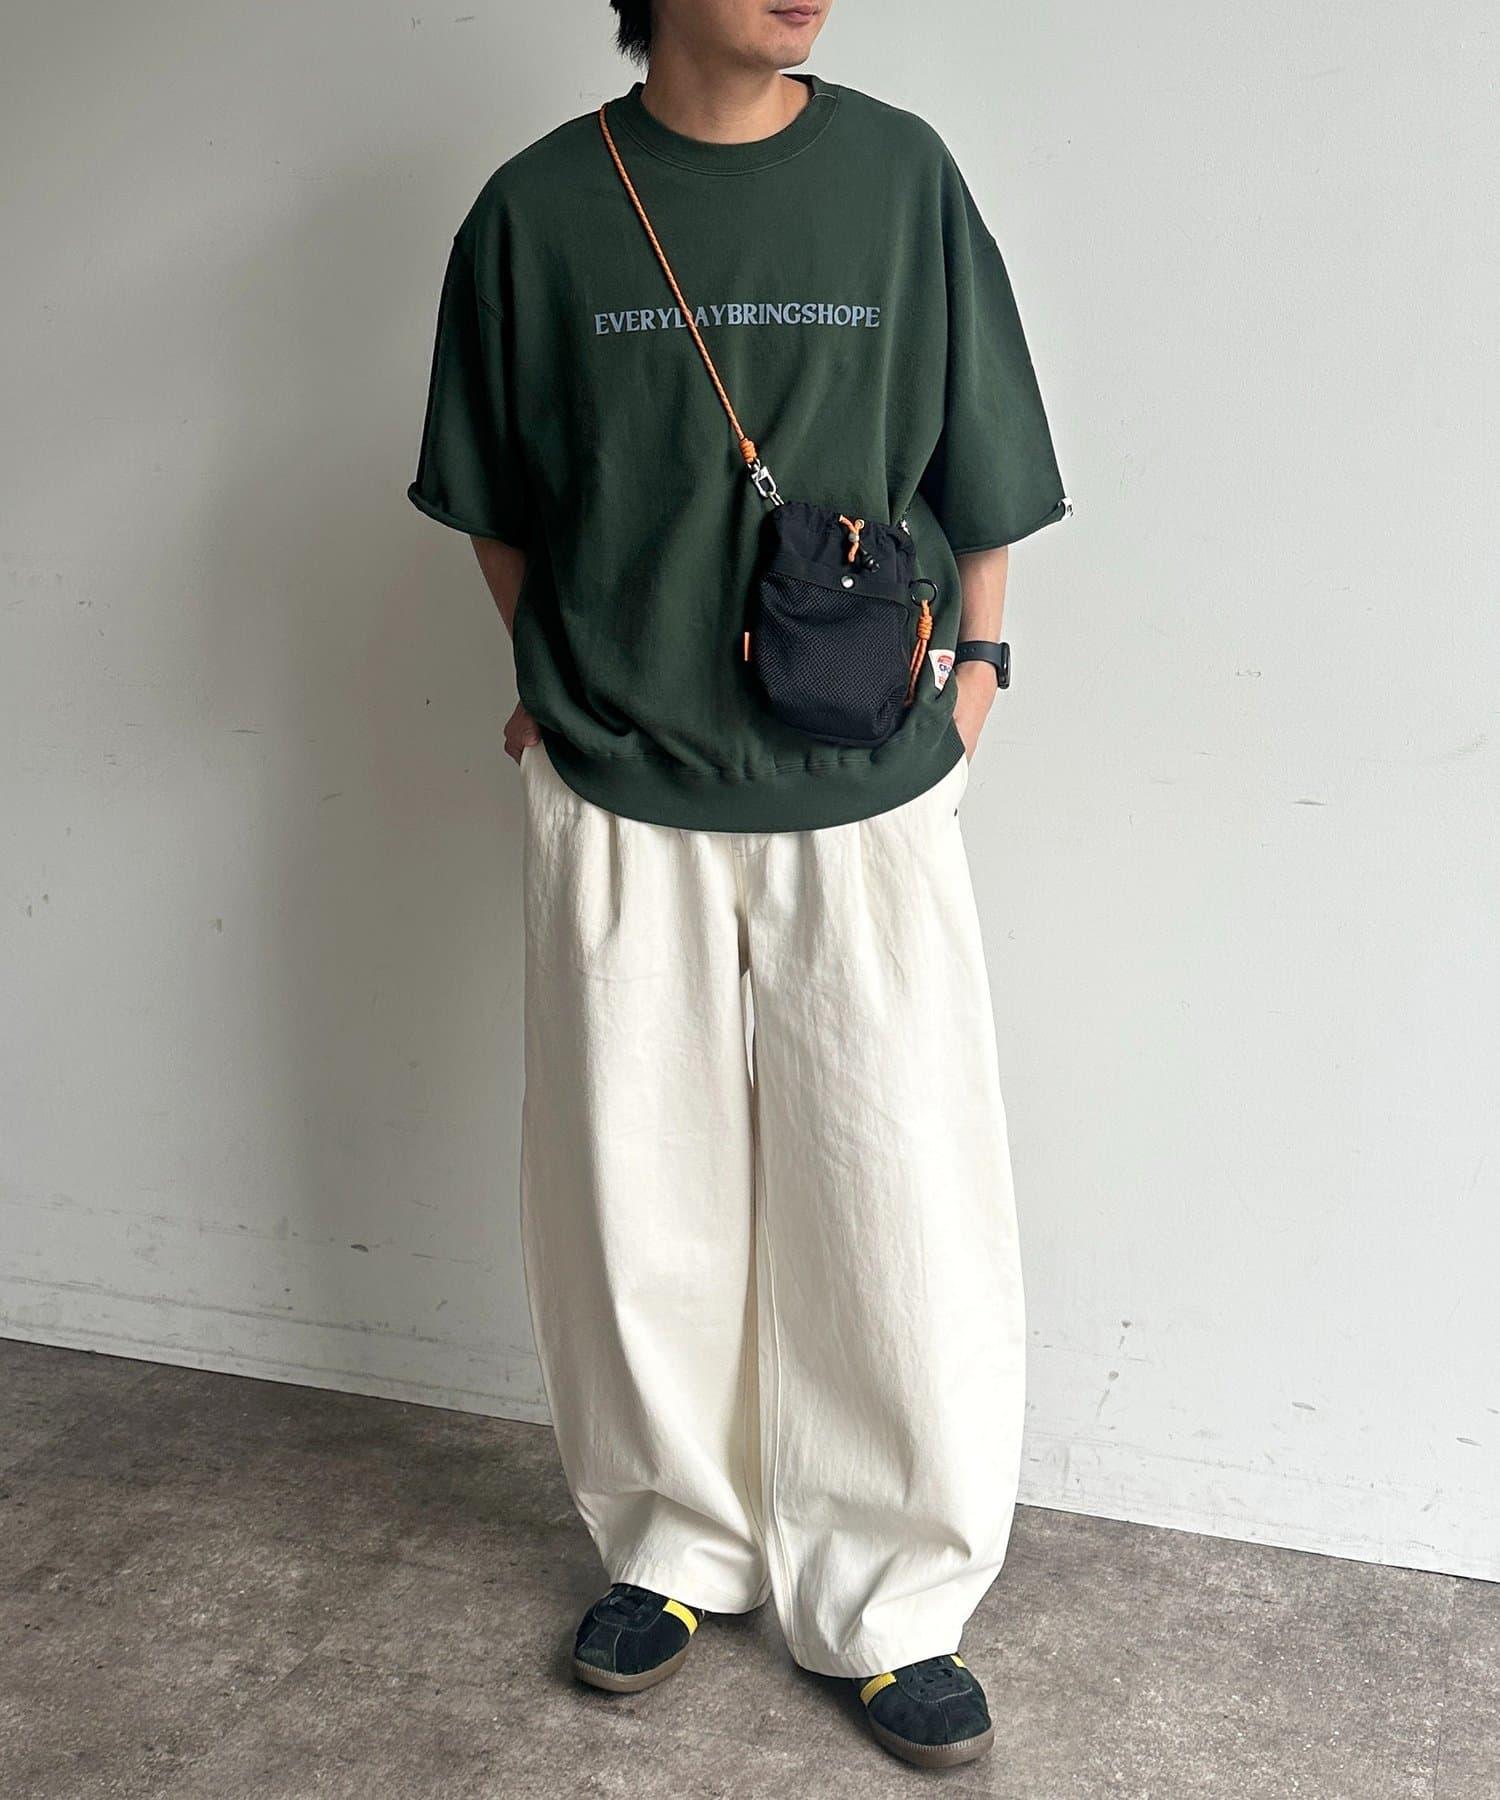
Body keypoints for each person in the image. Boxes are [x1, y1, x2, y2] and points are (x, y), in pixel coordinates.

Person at [407, 0, 1069, 1771]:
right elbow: (498, 497)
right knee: (634, 1189)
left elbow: (982, 457)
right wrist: (555, 684)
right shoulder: (539, 209)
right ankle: (673, 1545)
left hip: (865, 777)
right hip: (622, 779)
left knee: (895, 1184)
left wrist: (982, 671)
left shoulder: (900, 177)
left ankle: (894, 1598)